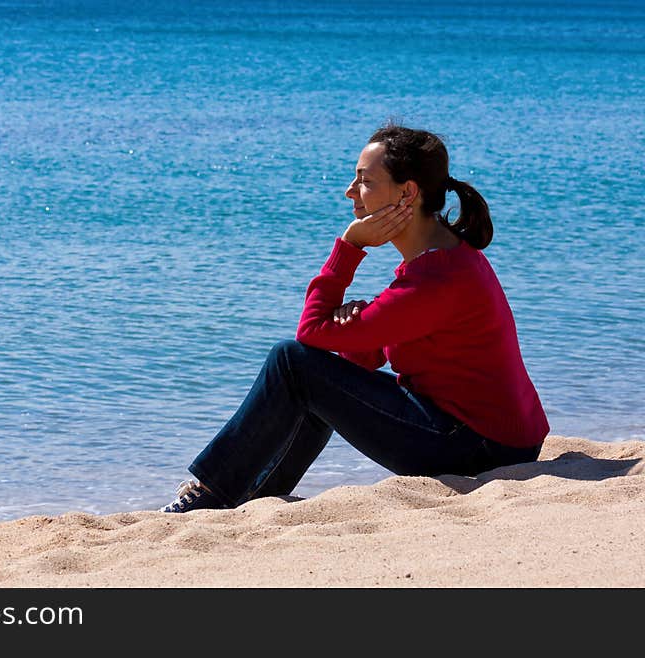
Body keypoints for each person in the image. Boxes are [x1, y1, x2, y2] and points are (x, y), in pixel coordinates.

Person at [161, 123, 549, 513]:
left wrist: (350, 245)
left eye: (364, 181)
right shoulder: (440, 259)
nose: (350, 192)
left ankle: (209, 496)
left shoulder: (436, 278)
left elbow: (309, 332)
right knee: (313, 379)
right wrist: (354, 329)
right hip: (488, 438)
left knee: (292, 363)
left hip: (478, 448)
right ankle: (255, 495)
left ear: (407, 192)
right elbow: (368, 355)